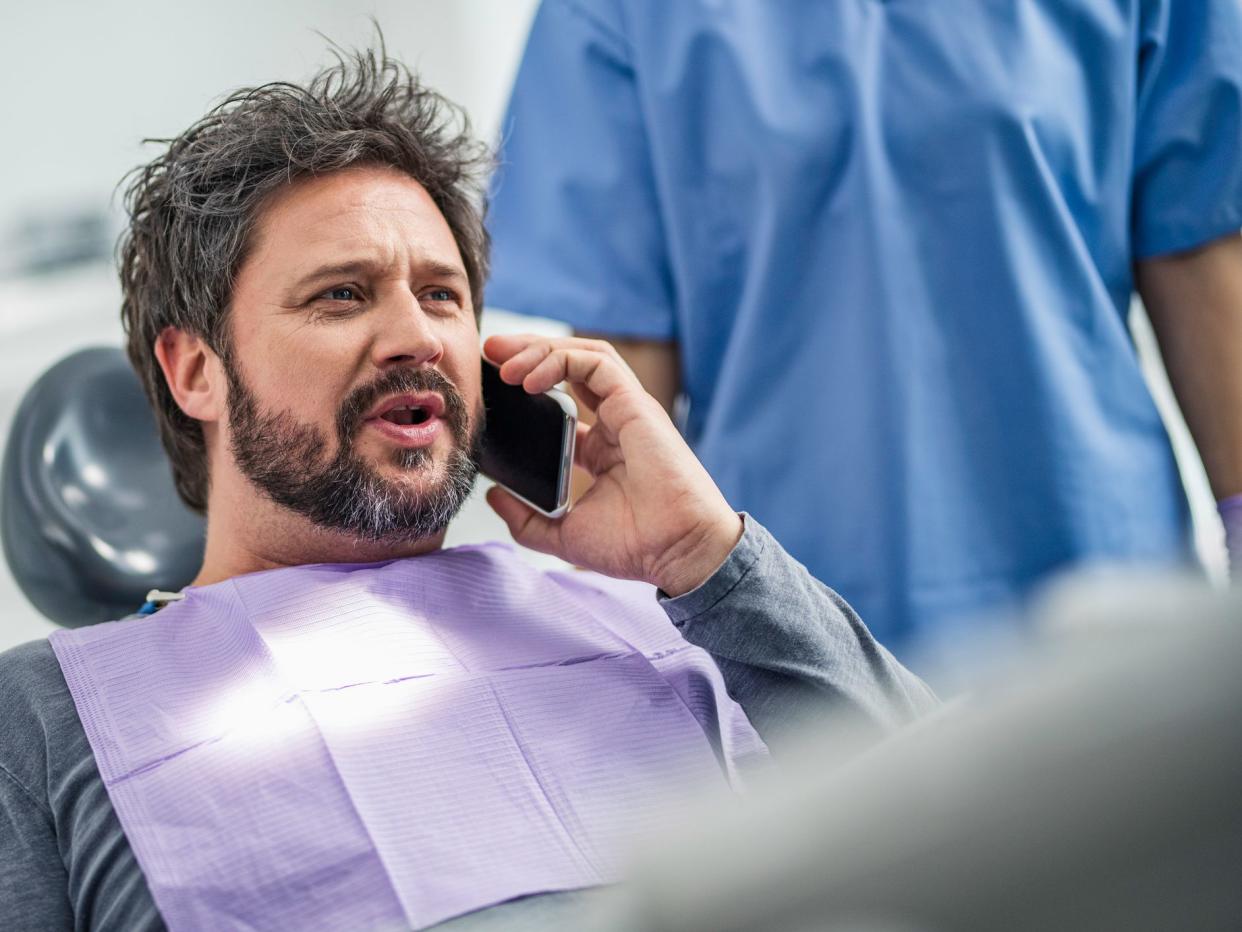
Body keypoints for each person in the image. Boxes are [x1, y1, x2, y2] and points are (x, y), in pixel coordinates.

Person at [0, 47, 934, 931]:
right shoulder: (42, 715)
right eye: (342, 294)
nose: (417, 336)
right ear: (195, 368)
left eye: (443, 295)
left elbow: (951, 825)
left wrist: (705, 558)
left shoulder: (655, 612)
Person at [486, 0, 1242, 662]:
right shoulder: (622, 13)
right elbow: (619, 416)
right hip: (780, 629)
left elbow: (1205, 264)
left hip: (1107, 596)